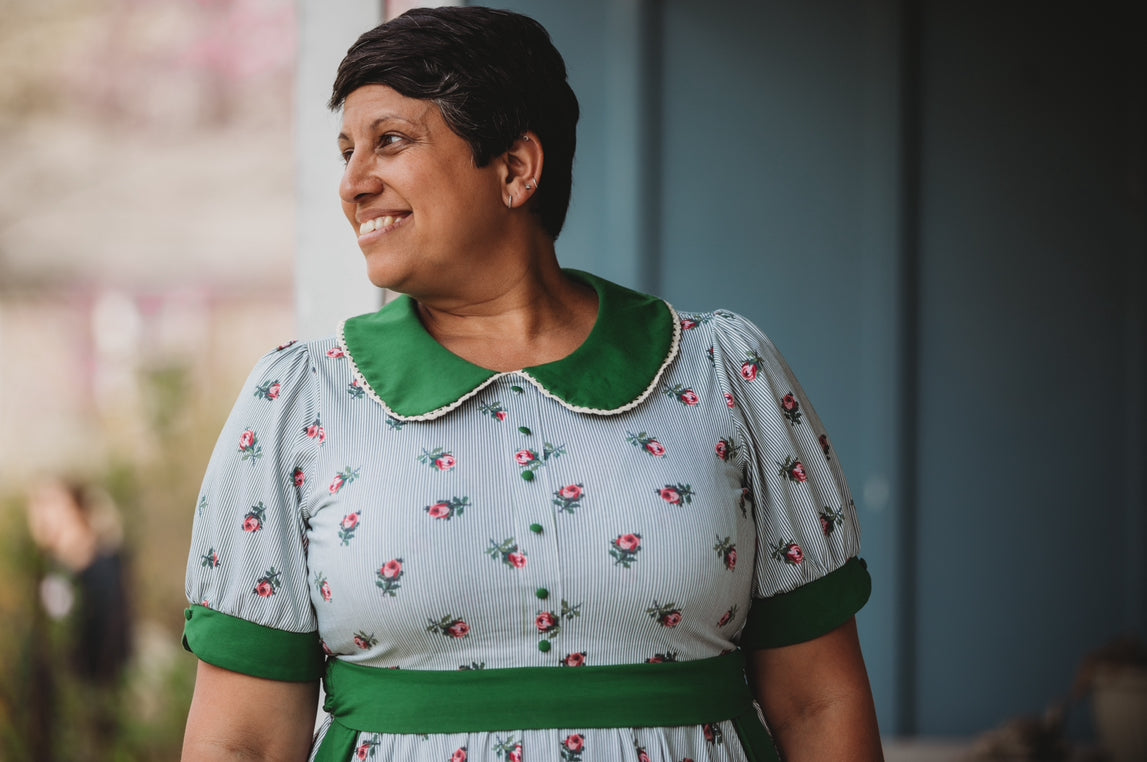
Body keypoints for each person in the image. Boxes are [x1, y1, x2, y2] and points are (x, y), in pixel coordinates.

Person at [180, 6, 883, 761]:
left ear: (515, 168)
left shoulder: (722, 372)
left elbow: (817, 702)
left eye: (390, 142)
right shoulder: (298, 401)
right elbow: (242, 740)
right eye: (347, 151)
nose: (353, 184)